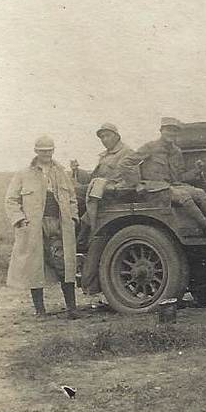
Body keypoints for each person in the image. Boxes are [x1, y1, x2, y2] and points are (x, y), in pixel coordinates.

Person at [4, 135, 81, 319]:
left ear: (53, 151)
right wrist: (20, 219)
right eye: (42, 150)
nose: (46, 154)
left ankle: (72, 309)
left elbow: (71, 198)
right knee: (34, 265)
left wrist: (74, 217)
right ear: (36, 152)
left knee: (64, 265)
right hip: (34, 227)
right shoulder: (23, 174)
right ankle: (40, 310)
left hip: (59, 225)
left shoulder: (62, 172)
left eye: (49, 150)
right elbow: (11, 200)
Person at [120, 117, 206, 238]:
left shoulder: (176, 151)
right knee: (183, 195)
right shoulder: (150, 147)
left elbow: (179, 177)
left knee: (200, 193)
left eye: (174, 131)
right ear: (161, 131)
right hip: (153, 189)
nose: (171, 133)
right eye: (168, 130)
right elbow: (125, 163)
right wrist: (137, 184)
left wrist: (196, 170)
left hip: (171, 187)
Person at [70, 122, 132, 298]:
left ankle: (83, 230)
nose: (105, 140)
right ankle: (75, 231)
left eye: (107, 135)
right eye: (102, 137)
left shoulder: (126, 153)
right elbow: (93, 177)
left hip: (112, 195)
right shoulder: (105, 156)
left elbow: (129, 178)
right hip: (98, 193)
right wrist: (77, 171)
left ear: (116, 135)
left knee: (74, 194)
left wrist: (110, 186)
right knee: (69, 190)